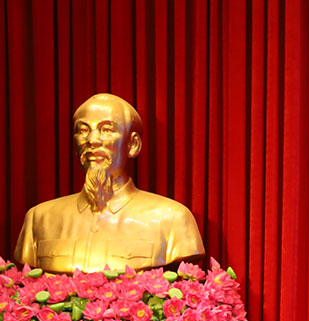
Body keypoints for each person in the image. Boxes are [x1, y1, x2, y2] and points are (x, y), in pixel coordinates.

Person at [13, 93, 204, 273]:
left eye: (106, 130)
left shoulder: (172, 220)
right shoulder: (39, 219)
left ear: (133, 144)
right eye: (83, 130)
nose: (92, 140)